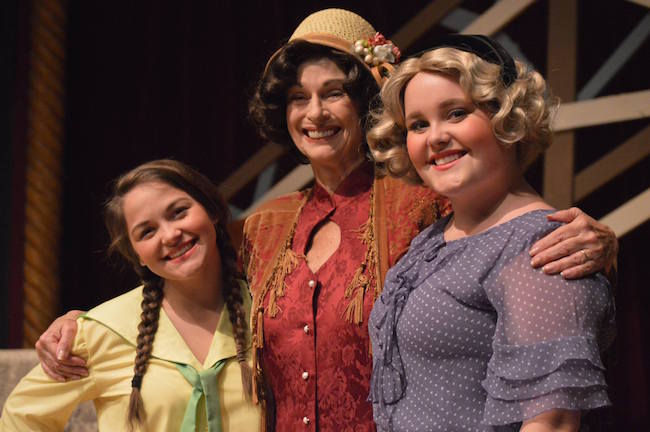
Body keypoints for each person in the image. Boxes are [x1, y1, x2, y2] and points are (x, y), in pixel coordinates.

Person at [34, 10, 617, 431]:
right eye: (296, 97)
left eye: (334, 93)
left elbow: (517, 241)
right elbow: (181, 272)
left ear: (368, 101)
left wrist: (597, 240)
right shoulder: (264, 228)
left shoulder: (429, 203)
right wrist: (76, 321)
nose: (313, 113)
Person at [367, 35, 615, 431]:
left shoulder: (540, 245)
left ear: (508, 116)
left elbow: (550, 423)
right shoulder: (432, 240)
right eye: (418, 124)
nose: (435, 137)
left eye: (456, 113)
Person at [1, 160, 260, 431]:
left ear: (211, 211)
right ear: (137, 254)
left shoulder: (268, 308)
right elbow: (22, 418)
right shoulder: (100, 332)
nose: (170, 235)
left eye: (179, 212)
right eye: (147, 231)